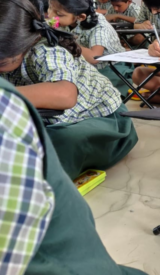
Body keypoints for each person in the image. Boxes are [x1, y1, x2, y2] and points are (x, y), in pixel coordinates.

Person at [0, 78, 147, 275]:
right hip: (56, 120)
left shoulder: (49, 51)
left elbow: (68, 91)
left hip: (102, 120)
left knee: (60, 140)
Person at [0, 0, 138, 179]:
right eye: (51, 10)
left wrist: (5, 93)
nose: (53, 16)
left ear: (19, 45)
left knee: (57, 142)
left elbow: (65, 94)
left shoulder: (45, 50)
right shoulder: (39, 33)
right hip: (53, 119)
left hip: (103, 120)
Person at [48, 0, 132, 98]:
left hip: (111, 69)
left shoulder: (99, 25)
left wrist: (62, 41)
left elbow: (94, 57)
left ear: (81, 17)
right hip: (85, 67)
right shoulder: (65, 21)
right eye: (50, 8)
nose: (51, 16)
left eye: (58, 14)